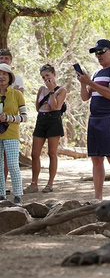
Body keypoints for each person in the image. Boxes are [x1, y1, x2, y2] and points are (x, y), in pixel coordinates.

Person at [77, 39, 110, 199]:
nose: (98, 56)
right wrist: (83, 83)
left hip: (109, 118)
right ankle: (98, 198)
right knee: (96, 159)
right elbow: (85, 97)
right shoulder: (97, 73)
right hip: (94, 119)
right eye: (96, 53)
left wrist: (90, 82)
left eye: (101, 52)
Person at [24, 64, 66, 194]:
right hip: (41, 119)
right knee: (35, 153)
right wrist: (46, 90)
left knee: (52, 153)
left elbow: (54, 106)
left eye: (48, 75)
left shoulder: (61, 90)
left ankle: (50, 183)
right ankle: (34, 183)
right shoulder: (41, 89)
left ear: (54, 74)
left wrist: (52, 90)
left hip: (54, 120)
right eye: (43, 77)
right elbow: (38, 107)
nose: (46, 79)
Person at [0, 63, 27, 205]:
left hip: (11, 134)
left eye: (4, 74)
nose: (1, 77)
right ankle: (1, 195)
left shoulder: (17, 94)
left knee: (12, 164)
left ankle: (17, 195)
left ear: (10, 77)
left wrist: (9, 118)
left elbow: (24, 117)